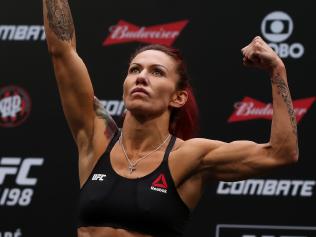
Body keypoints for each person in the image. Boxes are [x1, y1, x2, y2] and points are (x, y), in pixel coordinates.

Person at [43, 1, 299, 237]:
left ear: (178, 98)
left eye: (157, 72)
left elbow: (280, 153)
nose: (141, 77)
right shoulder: (95, 136)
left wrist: (277, 70)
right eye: (135, 69)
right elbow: (62, 51)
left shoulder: (189, 157)